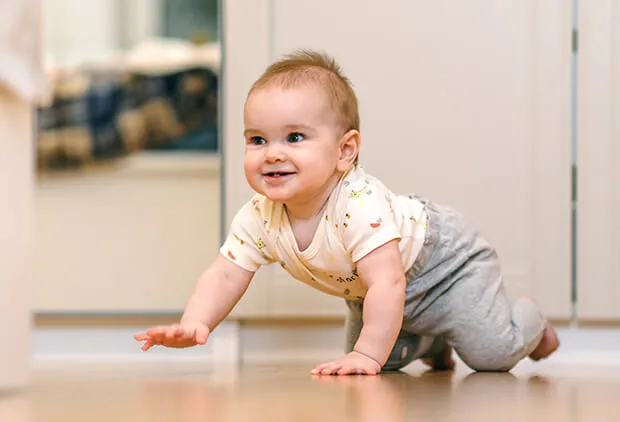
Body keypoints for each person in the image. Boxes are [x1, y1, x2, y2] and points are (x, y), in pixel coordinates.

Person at [134, 49, 560, 375]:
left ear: (344, 151)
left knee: (491, 355)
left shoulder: (358, 205)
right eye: (257, 140)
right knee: (382, 362)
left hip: (443, 267)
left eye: (294, 137)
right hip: (371, 291)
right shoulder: (259, 216)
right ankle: (430, 341)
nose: (272, 154)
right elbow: (226, 273)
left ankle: (528, 322)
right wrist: (195, 322)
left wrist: (366, 353)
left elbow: (390, 280)